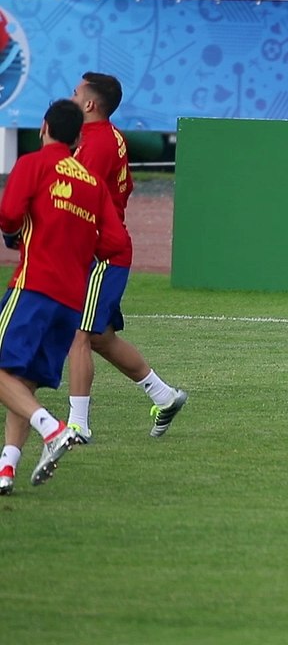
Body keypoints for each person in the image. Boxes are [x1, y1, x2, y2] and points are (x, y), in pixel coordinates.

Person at [0, 99, 128, 493]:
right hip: (71, 301)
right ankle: (7, 468)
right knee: (22, 381)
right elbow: (114, 242)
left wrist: (20, 232)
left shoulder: (33, 164)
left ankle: (53, 429)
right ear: (77, 139)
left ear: (44, 128)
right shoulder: (91, 182)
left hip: (34, 287)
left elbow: (8, 215)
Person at [66, 72, 187, 443]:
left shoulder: (95, 143)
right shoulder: (109, 137)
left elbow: (75, 196)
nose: (71, 97)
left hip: (102, 251)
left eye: (75, 93)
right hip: (106, 246)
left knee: (80, 334)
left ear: (90, 103)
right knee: (100, 337)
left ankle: (78, 425)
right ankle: (163, 395)